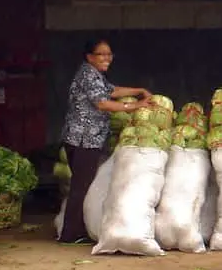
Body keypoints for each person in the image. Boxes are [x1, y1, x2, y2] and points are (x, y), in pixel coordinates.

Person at [58, 38, 153, 244]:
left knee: (82, 183)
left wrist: (138, 91)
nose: (106, 58)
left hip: (85, 138)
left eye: (109, 54)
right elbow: (102, 103)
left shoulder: (93, 74)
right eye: (101, 54)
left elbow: (111, 91)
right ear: (89, 56)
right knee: (81, 186)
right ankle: (70, 233)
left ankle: (75, 229)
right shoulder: (88, 75)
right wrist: (137, 106)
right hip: (84, 138)